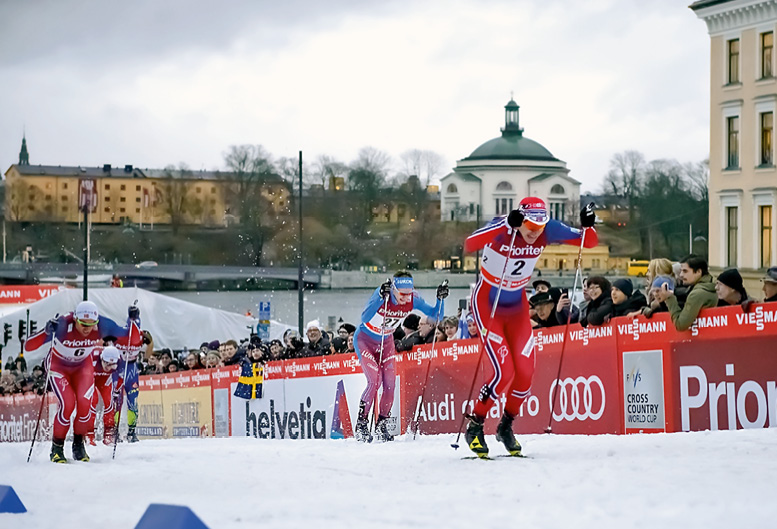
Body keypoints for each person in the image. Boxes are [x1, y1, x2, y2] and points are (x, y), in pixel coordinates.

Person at [462, 198, 597, 458]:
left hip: (517, 310)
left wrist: (588, 225)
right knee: (503, 373)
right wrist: (504, 224)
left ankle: (505, 427)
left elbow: (587, 241)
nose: (535, 231)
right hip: (488, 305)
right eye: (530, 225)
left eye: (539, 225)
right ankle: (475, 425)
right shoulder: (504, 227)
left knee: (524, 374)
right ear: (520, 220)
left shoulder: (547, 229)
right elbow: (471, 243)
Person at [24, 300, 138, 463]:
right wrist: (46, 330)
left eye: (91, 324)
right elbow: (29, 346)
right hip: (58, 365)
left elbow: (130, 339)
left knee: (85, 405)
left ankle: (78, 446)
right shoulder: (63, 325)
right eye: (83, 323)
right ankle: (57, 449)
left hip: (81, 366)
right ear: (75, 319)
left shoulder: (103, 325)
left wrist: (133, 320)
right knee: (68, 404)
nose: (86, 328)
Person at [353, 271, 447, 442]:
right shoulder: (383, 293)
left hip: (386, 342)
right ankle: (361, 424)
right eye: (402, 294)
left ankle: (382, 424)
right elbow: (365, 318)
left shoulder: (413, 299)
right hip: (365, 340)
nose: (405, 298)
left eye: (409, 293)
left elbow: (436, 316)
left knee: (390, 384)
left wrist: (440, 299)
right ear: (394, 289)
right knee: (374, 381)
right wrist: (380, 299)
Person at [654, 254, 717, 331]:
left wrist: (669, 298)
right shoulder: (712, 285)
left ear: (698, 272)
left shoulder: (697, 294)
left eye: (685, 271)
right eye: (681, 271)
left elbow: (680, 325)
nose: (681, 275)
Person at [111, 327, 151, 443]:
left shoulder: (140, 334)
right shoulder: (117, 334)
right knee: (116, 401)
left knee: (132, 401)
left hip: (132, 371)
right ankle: (115, 431)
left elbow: (150, 343)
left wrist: (145, 362)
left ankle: (131, 431)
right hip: (118, 370)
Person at [87, 345, 121, 446]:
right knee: (93, 400)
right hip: (90, 378)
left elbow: (121, 377)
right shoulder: (92, 357)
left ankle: (108, 434)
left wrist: (117, 389)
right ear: (102, 358)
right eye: (106, 363)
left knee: (109, 402)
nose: (109, 367)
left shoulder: (119, 361)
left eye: (112, 365)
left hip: (105, 380)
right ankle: (89, 434)